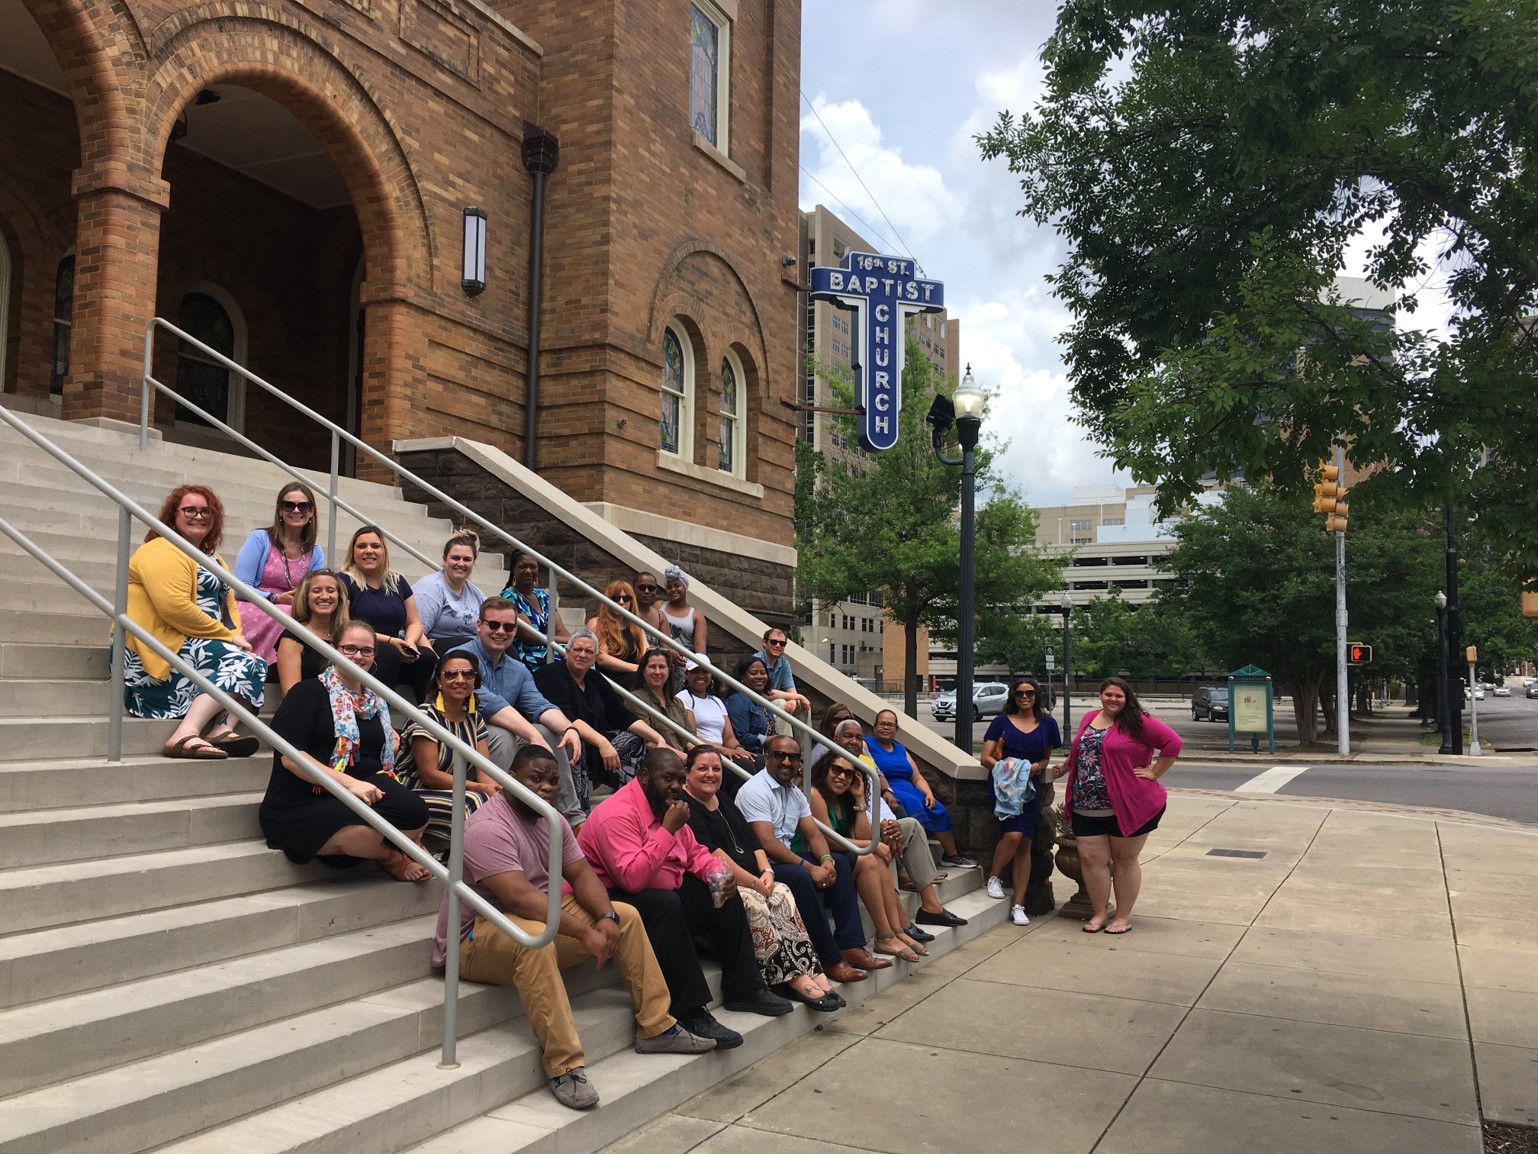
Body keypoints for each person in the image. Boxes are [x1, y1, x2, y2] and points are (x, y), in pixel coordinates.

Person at [432, 745, 715, 1111]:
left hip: (535, 913)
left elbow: (581, 875)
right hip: (475, 934)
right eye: (535, 778)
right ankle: (564, 1065)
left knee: (626, 915)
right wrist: (584, 933)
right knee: (535, 942)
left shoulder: (552, 820)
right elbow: (518, 898)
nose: (546, 787)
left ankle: (656, 1026)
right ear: (508, 779)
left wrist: (605, 917)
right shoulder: (487, 826)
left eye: (553, 781)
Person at [578, 748, 796, 1048]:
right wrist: (668, 829)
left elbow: (695, 853)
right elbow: (632, 878)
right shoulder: (616, 814)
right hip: (612, 896)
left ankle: (744, 989)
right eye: (667, 778)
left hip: (664, 885)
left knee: (727, 895)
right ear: (644, 777)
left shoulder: (666, 805)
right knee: (665, 904)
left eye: (680, 780)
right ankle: (690, 1010)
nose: (675, 786)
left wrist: (719, 875)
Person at [258, 619, 431, 880]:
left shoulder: (374, 701)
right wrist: (349, 784)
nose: (358, 656)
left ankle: (398, 844)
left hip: (359, 789)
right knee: (363, 832)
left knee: (417, 813)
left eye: (366, 650)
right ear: (333, 650)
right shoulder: (307, 693)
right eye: (349, 648)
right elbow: (291, 760)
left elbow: (369, 755)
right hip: (305, 796)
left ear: (374, 656)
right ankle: (390, 855)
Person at [682, 747, 843, 1012]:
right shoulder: (686, 806)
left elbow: (751, 840)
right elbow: (714, 854)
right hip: (719, 883)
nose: (710, 774)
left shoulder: (722, 799)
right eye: (702, 768)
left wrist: (767, 871)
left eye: (716, 769)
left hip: (753, 876)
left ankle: (812, 969)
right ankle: (791, 978)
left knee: (782, 892)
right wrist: (755, 883)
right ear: (687, 772)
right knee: (753, 900)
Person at [123, 484, 266, 760]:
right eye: (190, 510)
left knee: (254, 662)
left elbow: (229, 606)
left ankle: (221, 729)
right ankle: (184, 734)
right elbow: (174, 608)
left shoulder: (214, 559)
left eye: (205, 511)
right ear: (173, 515)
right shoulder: (160, 549)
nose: (198, 516)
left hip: (200, 642)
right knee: (242, 663)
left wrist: (235, 636)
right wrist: (227, 637)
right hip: (161, 645)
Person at [735, 735, 889, 982]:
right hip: (761, 867)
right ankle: (830, 959)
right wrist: (810, 867)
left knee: (840, 862)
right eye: (780, 755)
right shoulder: (755, 790)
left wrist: (826, 860)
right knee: (800, 875)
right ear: (766, 756)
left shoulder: (794, 793)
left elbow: (814, 833)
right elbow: (767, 842)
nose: (787, 762)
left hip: (786, 860)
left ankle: (850, 945)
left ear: (800, 762)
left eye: (793, 757)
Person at [1051, 676, 1182, 935]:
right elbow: (1083, 750)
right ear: (1100, 695)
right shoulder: (1090, 717)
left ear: (1126, 698)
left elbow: (1173, 743)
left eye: (1118, 696)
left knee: (1124, 860)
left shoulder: (1137, 721)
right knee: (1091, 860)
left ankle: (1122, 916)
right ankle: (1100, 913)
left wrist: (1155, 772)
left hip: (1128, 805)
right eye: (1108, 694)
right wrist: (1066, 766)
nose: (1113, 699)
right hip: (1085, 804)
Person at [829, 719, 966, 937]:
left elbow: (876, 802)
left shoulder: (865, 766)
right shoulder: (831, 768)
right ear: (835, 739)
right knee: (883, 845)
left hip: (870, 825)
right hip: (849, 836)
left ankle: (931, 906)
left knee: (910, 825)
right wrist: (882, 828)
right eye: (848, 736)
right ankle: (899, 918)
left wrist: (890, 823)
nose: (854, 741)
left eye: (858, 737)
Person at [460, 598, 585, 829]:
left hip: (494, 744)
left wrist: (569, 728)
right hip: (459, 738)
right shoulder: (461, 658)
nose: (501, 632)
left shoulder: (517, 669)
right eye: (493, 625)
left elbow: (539, 704)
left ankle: (572, 820)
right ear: (479, 625)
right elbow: (489, 705)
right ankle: (511, 816)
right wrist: (532, 735)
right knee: (501, 734)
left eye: (508, 627)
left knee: (549, 732)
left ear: (516, 630)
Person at [808, 756, 930, 963]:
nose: (842, 777)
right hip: (818, 855)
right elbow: (829, 840)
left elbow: (863, 836)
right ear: (824, 769)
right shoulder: (815, 794)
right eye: (836, 770)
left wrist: (859, 799)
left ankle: (895, 931)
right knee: (870, 857)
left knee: (877, 856)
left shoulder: (845, 797)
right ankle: (885, 935)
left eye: (849, 774)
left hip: (841, 854)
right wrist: (871, 845)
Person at [535, 628, 667, 799]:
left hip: (593, 746)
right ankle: (579, 807)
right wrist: (602, 742)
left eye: (589, 651)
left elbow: (621, 714)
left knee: (634, 738)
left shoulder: (595, 678)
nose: (582, 655)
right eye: (577, 649)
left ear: (595, 657)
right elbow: (567, 718)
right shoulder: (551, 674)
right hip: (561, 742)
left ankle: (630, 796)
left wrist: (658, 738)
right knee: (575, 741)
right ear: (567, 652)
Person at [980, 676, 1062, 927]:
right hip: (1004, 788)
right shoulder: (1001, 722)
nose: (1025, 697)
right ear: (1013, 696)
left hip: (1029, 789)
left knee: (1025, 844)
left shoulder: (1047, 723)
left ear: (1037, 696)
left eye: (1029, 693)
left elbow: (1046, 758)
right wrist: (1008, 769)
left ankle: (1019, 904)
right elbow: (985, 757)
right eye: (1019, 693)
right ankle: (994, 876)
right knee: (1013, 836)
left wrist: (1035, 767)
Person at [395, 650, 498, 846]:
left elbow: (484, 769)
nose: (460, 680)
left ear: (475, 681)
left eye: (468, 674)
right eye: (451, 674)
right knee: (473, 800)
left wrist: (493, 789)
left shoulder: (474, 717)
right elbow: (429, 776)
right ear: (439, 681)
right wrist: (480, 787)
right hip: (413, 791)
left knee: (503, 799)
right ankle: (471, 860)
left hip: (456, 790)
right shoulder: (426, 715)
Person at [865, 709, 976, 868]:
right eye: (882, 724)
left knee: (937, 808)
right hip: (889, 791)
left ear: (896, 729)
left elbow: (916, 776)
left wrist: (929, 793)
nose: (886, 727)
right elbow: (872, 771)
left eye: (890, 725)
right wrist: (886, 790)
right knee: (914, 804)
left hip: (910, 789)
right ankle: (920, 865)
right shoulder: (866, 744)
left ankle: (951, 855)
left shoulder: (900, 749)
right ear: (875, 726)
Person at [339, 525, 436, 704]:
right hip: (361, 651)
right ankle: (378, 709)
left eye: (375, 546)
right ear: (353, 552)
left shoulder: (397, 581)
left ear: (384, 551)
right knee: (389, 653)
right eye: (362, 546)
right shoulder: (344, 581)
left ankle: (424, 712)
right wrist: (391, 641)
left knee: (427, 658)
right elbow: (345, 625)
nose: (369, 551)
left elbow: (414, 622)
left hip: (396, 652)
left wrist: (409, 643)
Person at [233, 482, 326, 664]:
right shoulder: (260, 539)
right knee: (288, 613)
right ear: (280, 511)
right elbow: (240, 588)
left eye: (303, 506)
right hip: (254, 605)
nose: (296, 510)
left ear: (311, 512)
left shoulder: (315, 552)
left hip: (294, 609)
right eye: (288, 505)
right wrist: (274, 599)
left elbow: (313, 590)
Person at [275, 568, 350, 694]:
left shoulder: (346, 636)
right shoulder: (293, 638)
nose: (324, 596)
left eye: (330, 590)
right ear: (306, 597)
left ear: (339, 597)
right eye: (316, 591)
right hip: (309, 704)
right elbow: (291, 694)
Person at [413, 529, 486, 651]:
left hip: (471, 651)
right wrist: (433, 657)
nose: (461, 564)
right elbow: (416, 632)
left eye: (467, 559)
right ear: (444, 559)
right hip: (435, 649)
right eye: (455, 558)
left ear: (474, 563)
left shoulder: (477, 594)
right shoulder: (429, 589)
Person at [502, 550, 570, 676]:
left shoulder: (543, 595)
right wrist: (564, 641)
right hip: (528, 654)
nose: (528, 571)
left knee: (582, 655)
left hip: (550, 647)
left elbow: (561, 630)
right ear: (514, 569)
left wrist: (572, 641)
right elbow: (531, 637)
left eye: (533, 567)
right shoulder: (508, 597)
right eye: (523, 566)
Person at [676, 661, 746, 758]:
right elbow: (692, 735)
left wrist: (739, 749)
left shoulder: (717, 701)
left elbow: (729, 737)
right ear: (686, 674)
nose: (701, 675)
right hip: (703, 752)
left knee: (757, 760)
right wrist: (724, 750)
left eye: (705, 671)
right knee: (745, 764)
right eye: (695, 671)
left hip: (722, 751)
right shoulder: (683, 697)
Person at [586, 580, 649, 687]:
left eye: (626, 598)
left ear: (632, 601)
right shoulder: (597, 623)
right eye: (616, 598)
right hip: (607, 679)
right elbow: (601, 658)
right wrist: (637, 668)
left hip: (633, 676)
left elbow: (645, 654)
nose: (621, 602)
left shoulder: (636, 627)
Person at [634, 647, 697, 751]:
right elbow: (647, 741)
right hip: (659, 757)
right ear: (643, 671)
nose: (657, 671)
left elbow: (689, 737)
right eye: (652, 667)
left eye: (662, 667)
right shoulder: (636, 699)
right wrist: (683, 757)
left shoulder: (677, 702)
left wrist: (695, 755)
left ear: (669, 671)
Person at [660, 565, 706, 689]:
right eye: (669, 587)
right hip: (659, 659)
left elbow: (700, 652)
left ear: (685, 587)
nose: (673, 589)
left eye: (677, 585)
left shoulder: (696, 616)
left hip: (682, 665)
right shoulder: (658, 606)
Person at [723, 654, 774, 760]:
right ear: (742, 677)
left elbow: (772, 732)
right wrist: (770, 740)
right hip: (747, 754)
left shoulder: (762, 700)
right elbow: (741, 737)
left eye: (763, 673)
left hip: (764, 753)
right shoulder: (738, 700)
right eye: (753, 673)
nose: (759, 676)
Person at [754, 627, 811, 719]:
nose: (778, 645)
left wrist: (793, 700)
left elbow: (792, 690)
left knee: (802, 704)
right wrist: (799, 696)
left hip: (771, 703)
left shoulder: (784, 663)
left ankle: (805, 730)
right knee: (781, 703)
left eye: (782, 643)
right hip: (755, 704)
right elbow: (765, 693)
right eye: (773, 642)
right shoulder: (756, 662)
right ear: (764, 643)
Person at [632, 571, 668, 635]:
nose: (646, 591)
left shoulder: (660, 617)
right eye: (642, 587)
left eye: (651, 588)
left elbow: (667, 641)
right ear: (633, 589)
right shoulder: (626, 612)